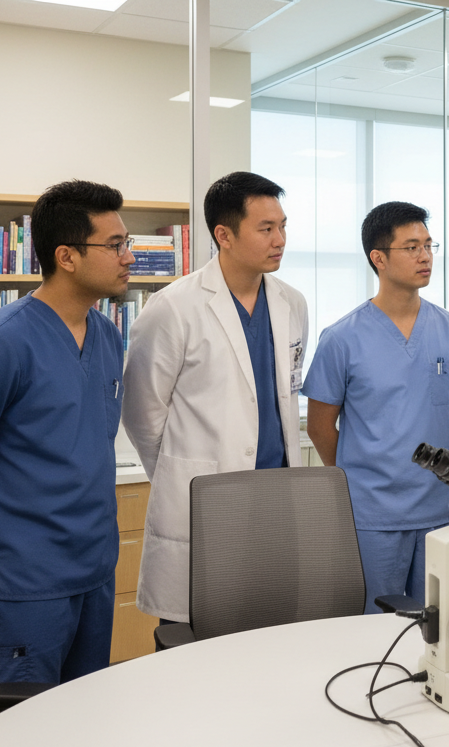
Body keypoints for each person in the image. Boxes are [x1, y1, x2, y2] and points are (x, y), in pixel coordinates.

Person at [0, 180, 133, 724]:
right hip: (22, 585)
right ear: (66, 256)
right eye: (114, 245)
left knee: (80, 728)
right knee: (12, 738)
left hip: (92, 571)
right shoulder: (0, 343)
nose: (128, 257)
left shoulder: (108, 337)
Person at [122, 171, 309, 624]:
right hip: (205, 501)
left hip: (276, 499)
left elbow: (286, 396)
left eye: (283, 226)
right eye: (266, 229)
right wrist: (181, 472)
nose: (280, 239)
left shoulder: (292, 302)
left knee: (271, 632)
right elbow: (142, 413)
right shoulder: (172, 307)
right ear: (223, 235)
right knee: (194, 641)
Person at [302, 201, 449, 613]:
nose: (425, 256)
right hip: (373, 515)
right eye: (412, 247)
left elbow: (448, 412)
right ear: (378, 259)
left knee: (443, 626)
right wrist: (365, 476)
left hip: (441, 510)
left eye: (430, 245)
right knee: (376, 630)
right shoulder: (341, 338)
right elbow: (320, 427)